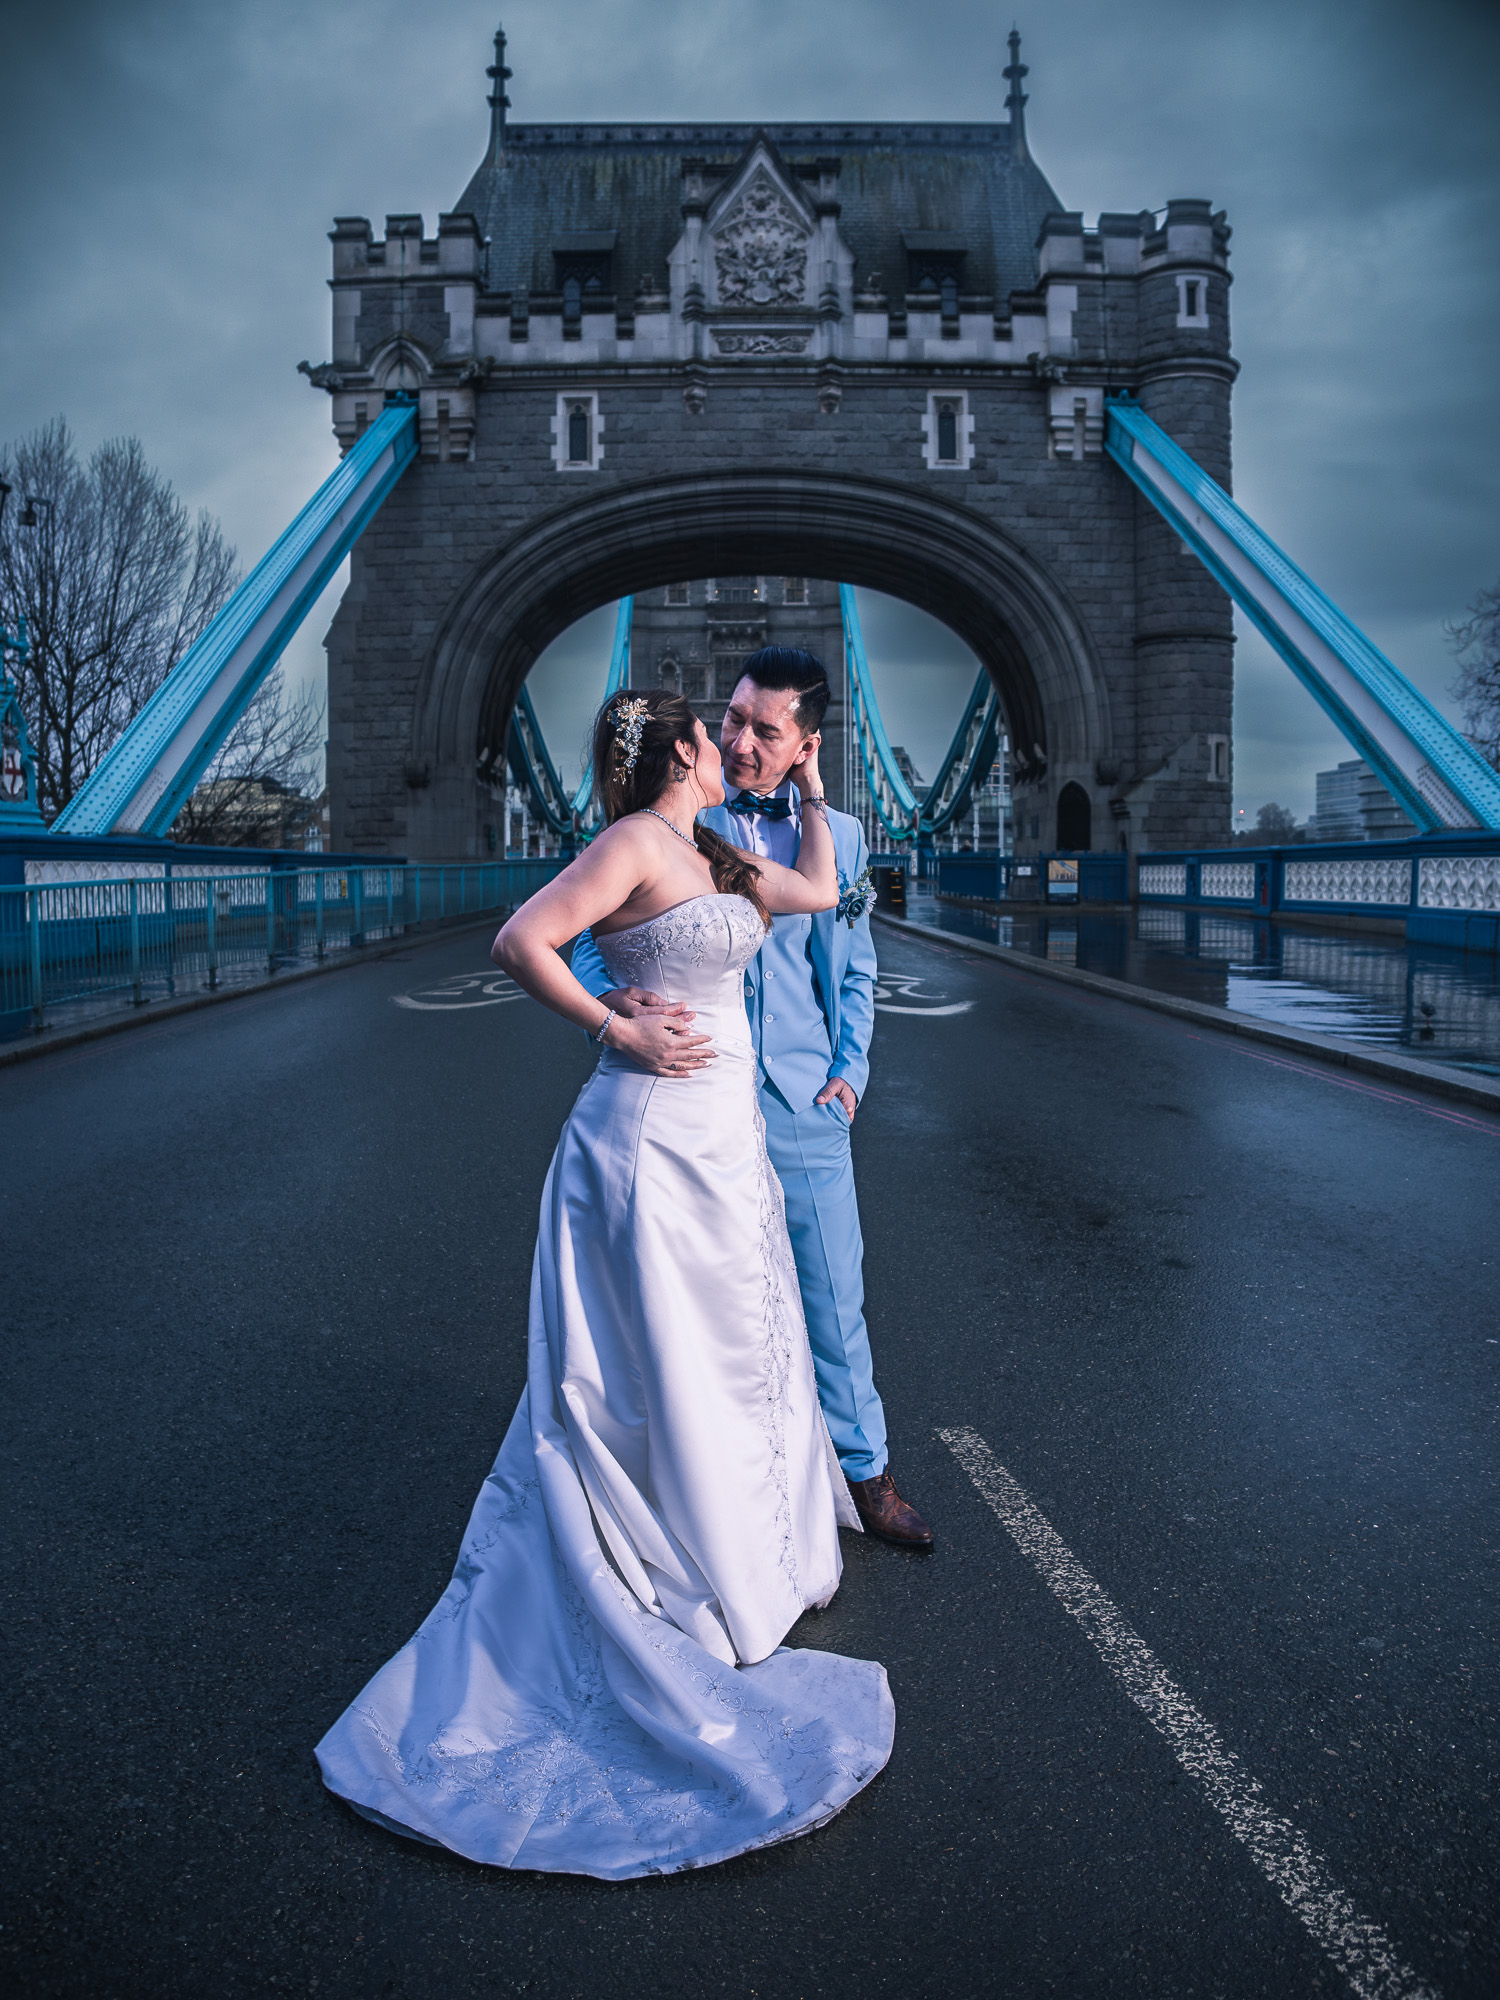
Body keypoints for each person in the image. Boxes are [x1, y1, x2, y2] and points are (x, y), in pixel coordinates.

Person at [315, 688, 893, 1879]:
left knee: (731, 1348)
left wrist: (818, 793)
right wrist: (608, 1026)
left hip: (724, 1142)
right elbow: (520, 939)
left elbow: (819, 894)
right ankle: (655, 1561)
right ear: (684, 749)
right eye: (714, 733)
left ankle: (733, 1551)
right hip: (645, 1139)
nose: (731, 747)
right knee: (653, 1361)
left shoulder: (717, 847)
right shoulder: (633, 841)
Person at [572, 648, 932, 1547]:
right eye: (730, 719)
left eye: (765, 730)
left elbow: (855, 974)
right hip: (691, 1097)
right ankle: (719, 1487)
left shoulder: (840, 839)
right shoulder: (677, 815)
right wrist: (610, 1004)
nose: (737, 741)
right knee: (708, 1305)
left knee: (829, 1300)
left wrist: (849, 1078)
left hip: (804, 1101)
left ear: (806, 744)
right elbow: (588, 932)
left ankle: (866, 1472)